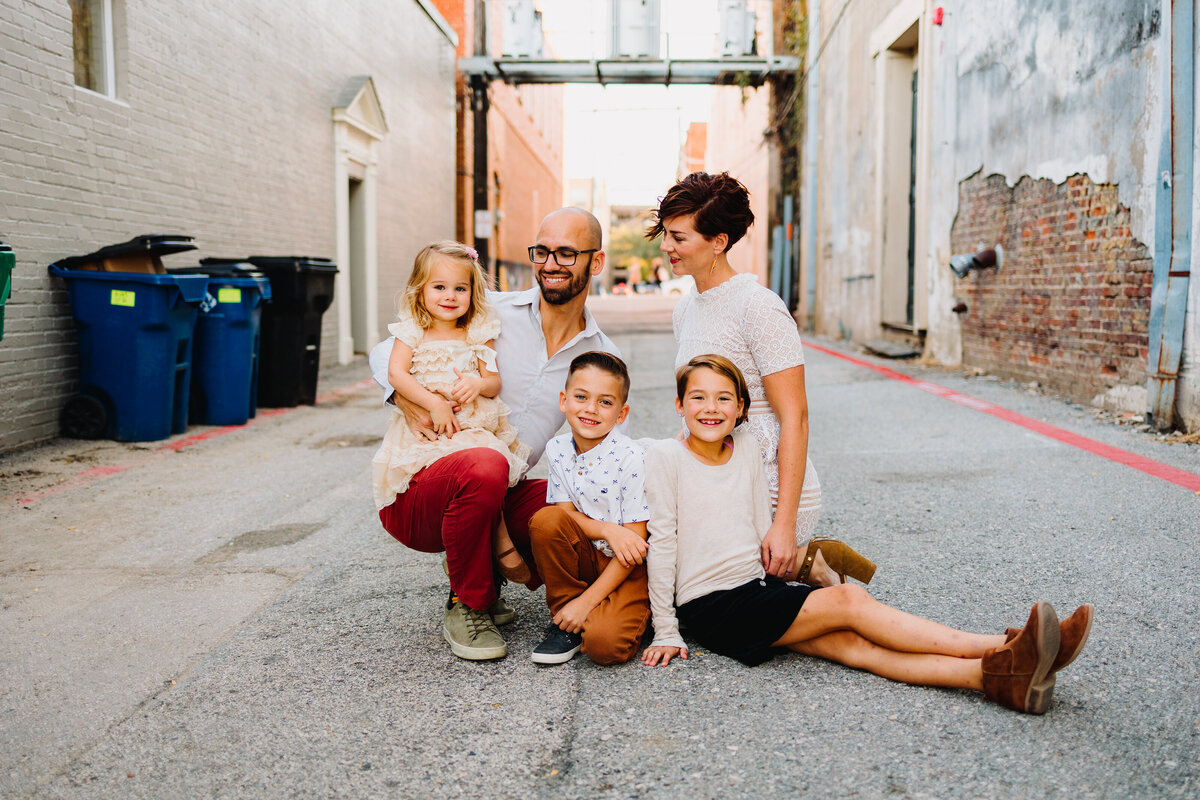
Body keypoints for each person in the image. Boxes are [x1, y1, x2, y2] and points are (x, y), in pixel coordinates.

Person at [641, 355, 1094, 715]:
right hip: (712, 604)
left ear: (741, 409)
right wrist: (665, 628)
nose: (710, 408)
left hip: (756, 587)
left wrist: (795, 567)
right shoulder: (666, 457)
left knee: (857, 648)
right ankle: (1009, 645)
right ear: (679, 405)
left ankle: (999, 680)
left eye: (724, 398)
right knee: (851, 602)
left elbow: (761, 530)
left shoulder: (743, 448)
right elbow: (661, 545)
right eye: (697, 397)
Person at [368, 208, 619, 661]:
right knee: (486, 464)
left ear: (595, 263)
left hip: (499, 485)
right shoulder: (486, 311)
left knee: (567, 497)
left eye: (566, 253)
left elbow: (601, 449)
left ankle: (593, 600)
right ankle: (469, 601)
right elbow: (385, 352)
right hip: (425, 490)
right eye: (542, 251)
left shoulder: (601, 357)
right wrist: (409, 398)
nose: (550, 264)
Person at [648, 171, 872, 587]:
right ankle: (812, 563)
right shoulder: (685, 310)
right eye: (666, 234)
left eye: (678, 237)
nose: (666, 246)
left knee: (693, 587)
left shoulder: (758, 307)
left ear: (718, 241)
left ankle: (807, 558)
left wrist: (783, 525)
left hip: (766, 484)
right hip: (715, 474)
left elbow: (796, 418)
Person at [371, 241, 531, 585]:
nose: (450, 296)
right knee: (461, 476)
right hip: (429, 431)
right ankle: (496, 549)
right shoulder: (413, 328)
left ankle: (497, 542)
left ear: (473, 293)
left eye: (460, 288)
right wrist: (434, 403)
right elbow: (396, 374)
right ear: (420, 289)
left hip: (469, 426)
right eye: (439, 287)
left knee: (487, 464)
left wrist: (476, 385)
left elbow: (494, 382)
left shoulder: (476, 332)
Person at [527, 352, 651, 666]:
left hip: (629, 567)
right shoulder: (557, 449)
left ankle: (618, 612)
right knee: (546, 520)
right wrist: (609, 529)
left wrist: (588, 603)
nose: (591, 409)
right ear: (563, 400)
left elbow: (632, 550)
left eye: (605, 402)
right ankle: (565, 619)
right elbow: (564, 516)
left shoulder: (631, 458)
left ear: (621, 414)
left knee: (604, 647)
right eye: (581, 397)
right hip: (591, 554)